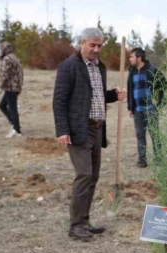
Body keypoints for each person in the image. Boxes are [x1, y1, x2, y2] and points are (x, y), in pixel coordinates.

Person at [53, 28, 126, 241]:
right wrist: (63, 130)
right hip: (78, 129)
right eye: (92, 45)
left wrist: (113, 95)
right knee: (84, 175)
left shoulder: (98, 67)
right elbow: (59, 100)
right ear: (81, 43)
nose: (96, 49)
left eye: (99, 45)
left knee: (93, 177)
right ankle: (75, 226)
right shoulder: (69, 67)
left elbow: (95, 96)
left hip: (97, 128)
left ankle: (84, 221)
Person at [127, 47, 167, 168]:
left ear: (139, 58)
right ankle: (142, 160)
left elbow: (164, 84)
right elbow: (130, 89)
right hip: (138, 110)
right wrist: (131, 107)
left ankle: (159, 159)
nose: (130, 59)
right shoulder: (132, 71)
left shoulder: (152, 70)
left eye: (132, 56)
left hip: (151, 109)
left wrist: (158, 103)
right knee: (140, 135)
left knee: (154, 134)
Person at [0, 42, 24, 138]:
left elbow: (6, 74)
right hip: (16, 86)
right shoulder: (14, 57)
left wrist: (0, 86)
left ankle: (16, 129)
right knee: (3, 105)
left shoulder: (7, 59)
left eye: (1, 49)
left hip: (10, 87)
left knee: (12, 108)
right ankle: (15, 125)